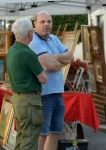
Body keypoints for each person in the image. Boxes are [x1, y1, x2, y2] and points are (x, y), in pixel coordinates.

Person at [29, 11, 74, 150]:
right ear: (35, 24)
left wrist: (54, 57)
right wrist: (60, 60)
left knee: (55, 133)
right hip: (43, 95)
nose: (46, 24)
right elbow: (51, 66)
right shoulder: (33, 42)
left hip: (58, 93)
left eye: (49, 21)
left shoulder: (54, 39)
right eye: (42, 22)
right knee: (41, 136)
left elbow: (70, 57)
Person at [6, 18, 47, 150]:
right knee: (29, 141)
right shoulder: (28, 53)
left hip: (18, 99)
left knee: (22, 138)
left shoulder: (12, 50)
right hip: (30, 101)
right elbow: (43, 79)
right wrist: (42, 68)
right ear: (30, 33)